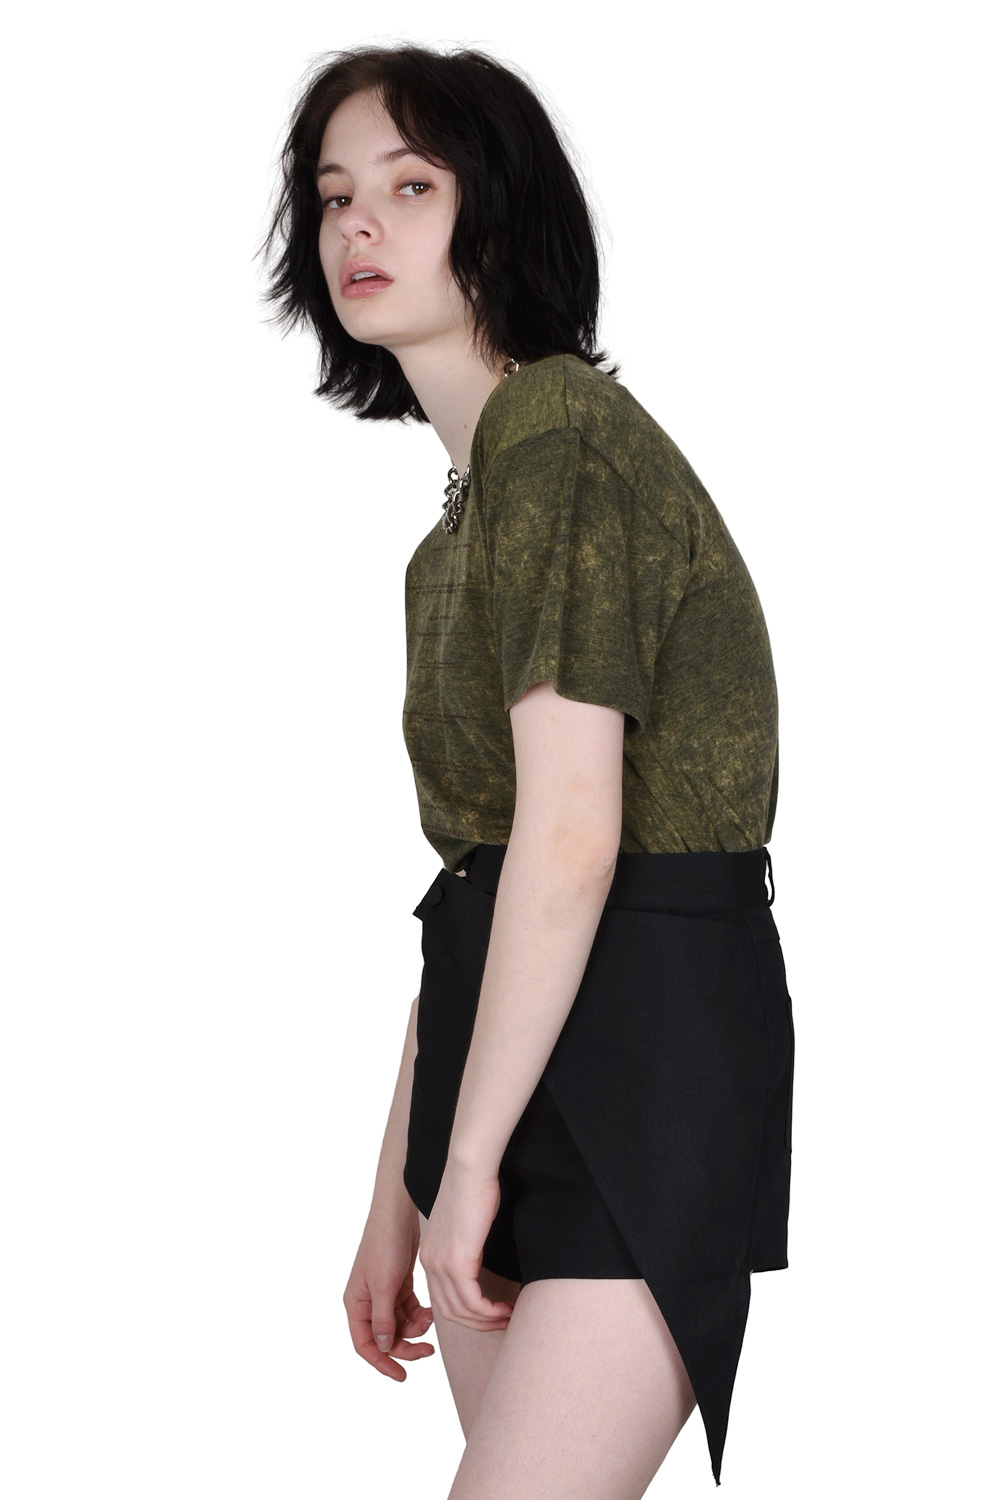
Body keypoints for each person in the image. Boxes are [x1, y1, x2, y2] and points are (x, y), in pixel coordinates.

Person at [258, 42, 795, 1496]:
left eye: (410, 187)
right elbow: (486, 882)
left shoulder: (559, 432)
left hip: (642, 1050)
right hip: (510, 1054)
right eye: (335, 197)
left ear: (498, 217)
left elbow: (571, 836)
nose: (358, 226)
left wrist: (462, 1167)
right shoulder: (455, 531)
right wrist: (400, 1191)